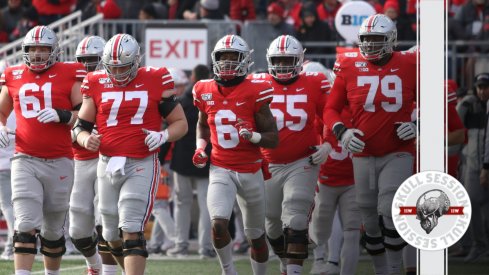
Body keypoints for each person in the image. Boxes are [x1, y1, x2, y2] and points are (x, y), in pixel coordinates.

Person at [73, 33, 188, 275]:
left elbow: (180, 123)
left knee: (131, 227)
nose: (118, 73)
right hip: (106, 162)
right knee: (108, 230)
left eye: (124, 66)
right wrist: (86, 139)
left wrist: (163, 136)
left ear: (136, 61)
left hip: (141, 162)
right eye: (113, 68)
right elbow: (79, 127)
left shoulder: (156, 78)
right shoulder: (94, 81)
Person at [324, 14, 417, 275]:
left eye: (377, 40)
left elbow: (434, 101)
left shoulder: (411, 63)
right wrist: (342, 131)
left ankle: (395, 268)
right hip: (362, 151)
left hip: (398, 149)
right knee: (368, 217)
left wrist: (418, 125)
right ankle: (382, 270)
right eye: (367, 40)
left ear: (392, 39)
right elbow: (331, 108)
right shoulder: (349, 64)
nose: (371, 45)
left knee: (389, 206)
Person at [0, 25, 86, 275]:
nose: (37, 54)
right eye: (32, 49)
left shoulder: (70, 73)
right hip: (25, 158)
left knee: (52, 228)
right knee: (24, 222)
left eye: (43, 49)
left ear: (54, 51)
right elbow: (1, 110)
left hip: (60, 159)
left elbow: (85, 115)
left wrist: (63, 115)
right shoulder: (14, 74)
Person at [192, 34, 278, 275]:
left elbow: (273, 138)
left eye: (233, 58)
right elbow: (202, 124)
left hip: (251, 170)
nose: (228, 63)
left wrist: (254, 137)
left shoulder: (256, 91)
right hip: (221, 167)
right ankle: (228, 271)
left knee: (256, 236)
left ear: (244, 61)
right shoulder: (203, 89)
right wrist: (200, 147)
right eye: (224, 57)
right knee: (218, 224)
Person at [248, 35, 330, 275]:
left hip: (302, 161)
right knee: (271, 223)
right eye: (278, 60)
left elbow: (332, 115)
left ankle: (294, 270)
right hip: (267, 163)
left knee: (295, 217)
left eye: (288, 60)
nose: (283, 66)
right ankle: (286, 263)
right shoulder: (256, 83)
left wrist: (328, 144)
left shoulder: (315, 82)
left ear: (299, 60)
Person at [302, 61, 361, 275]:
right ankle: (326, 263)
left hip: (341, 179)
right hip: (335, 178)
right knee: (338, 229)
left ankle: (327, 263)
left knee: (345, 230)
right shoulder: (332, 111)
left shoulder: (330, 111)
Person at [69, 35, 121, 275]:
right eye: (83, 60)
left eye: (93, 60)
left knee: (106, 222)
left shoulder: (118, 83)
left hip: (109, 159)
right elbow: (71, 123)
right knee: (77, 231)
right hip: (79, 160)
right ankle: (94, 265)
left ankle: (110, 271)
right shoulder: (72, 83)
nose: (87, 66)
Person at [166, 64, 215, 259]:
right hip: (204, 157)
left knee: (181, 204)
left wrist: (161, 157)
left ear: (193, 76)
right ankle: (205, 247)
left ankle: (181, 244)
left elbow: (173, 129)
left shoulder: (184, 101)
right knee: (206, 205)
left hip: (182, 160)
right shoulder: (212, 99)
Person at [457, 73, 489, 262]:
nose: (482, 91)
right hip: (472, 162)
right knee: (471, 203)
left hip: (482, 162)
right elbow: (458, 131)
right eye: (480, 87)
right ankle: (478, 245)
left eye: (485, 87)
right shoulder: (469, 105)